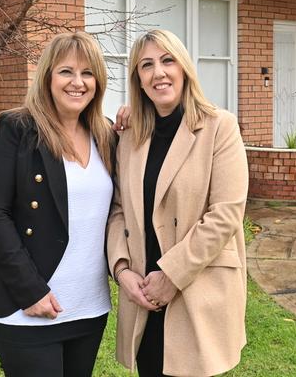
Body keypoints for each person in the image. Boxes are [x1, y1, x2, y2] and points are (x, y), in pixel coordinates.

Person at [0, 32, 116, 376]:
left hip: (88, 307)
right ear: (48, 76)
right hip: (27, 307)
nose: (77, 83)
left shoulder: (106, 133)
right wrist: (30, 291)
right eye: (66, 71)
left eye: (88, 73)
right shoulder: (19, 129)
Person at [107, 29, 249, 377]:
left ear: (184, 68)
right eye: (147, 65)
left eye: (167, 60)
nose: (159, 72)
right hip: (143, 294)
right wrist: (122, 271)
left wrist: (171, 275)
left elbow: (226, 214)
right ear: (138, 80)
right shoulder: (129, 137)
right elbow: (118, 209)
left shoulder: (220, 127)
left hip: (196, 289)